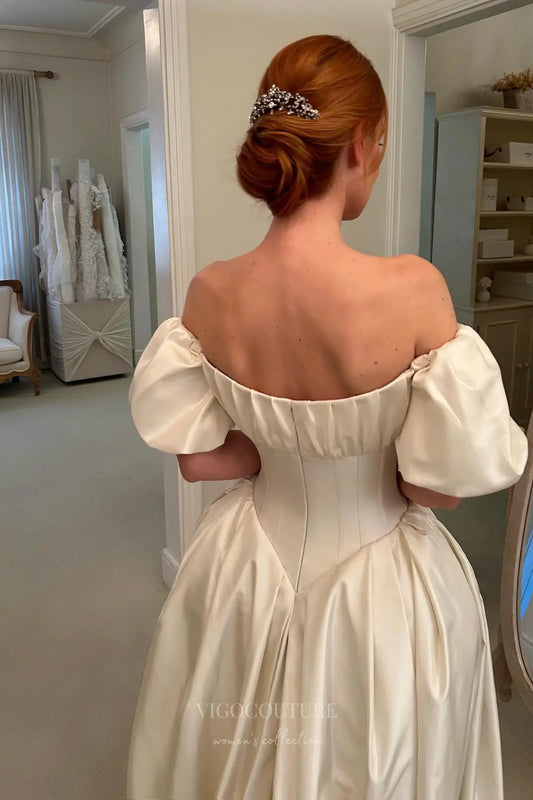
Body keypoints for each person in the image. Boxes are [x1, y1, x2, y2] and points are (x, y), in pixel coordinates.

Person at [126, 34, 528, 800]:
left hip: (246, 562)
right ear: (357, 145)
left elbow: (198, 460)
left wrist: (277, 450)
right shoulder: (413, 289)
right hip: (380, 583)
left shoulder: (211, 292)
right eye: (380, 146)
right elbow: (438, 488)